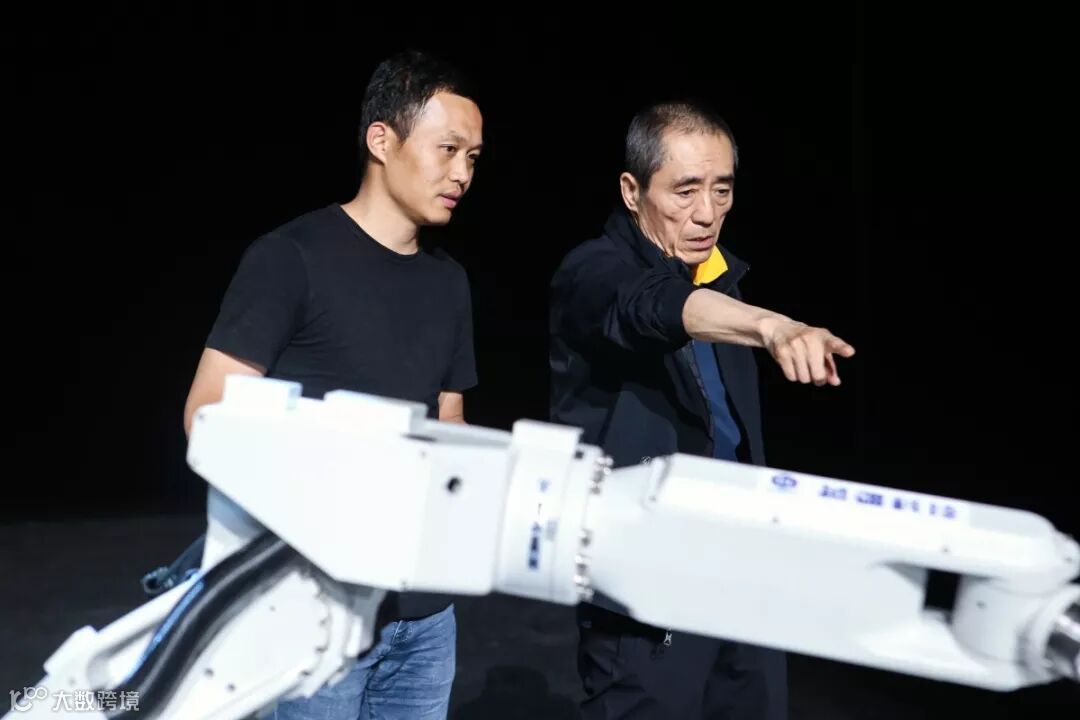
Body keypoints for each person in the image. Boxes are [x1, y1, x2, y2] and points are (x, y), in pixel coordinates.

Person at [181, 49, 484, 719]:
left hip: (424, 615)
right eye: (448, 149)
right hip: (310, 612)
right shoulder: (290, 258)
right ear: (382, 139)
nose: (463, 172)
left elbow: (449, 421)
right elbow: (206, 415)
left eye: (473, 157)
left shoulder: (449, 282)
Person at [549, 100, 856, 719]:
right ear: (632, 191)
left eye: (722, 189)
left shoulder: (722, 282)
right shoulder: (593, 272)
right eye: (685, 191)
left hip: (740, 570)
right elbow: (651, 307)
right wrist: (771, 327)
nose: (707, 212)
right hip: (646, 577)